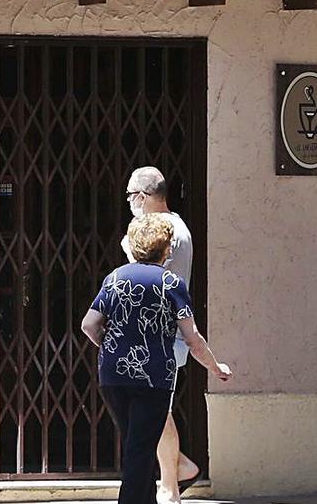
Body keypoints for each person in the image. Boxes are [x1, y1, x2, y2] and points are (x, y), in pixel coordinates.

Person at [82, 214, 231, 504]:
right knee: (140, 448)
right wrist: (215, 367)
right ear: (167, 250)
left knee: (138, 443)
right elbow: (192, 337)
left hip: (113, 374)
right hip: (153, 375)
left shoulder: (114, 278)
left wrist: (111, 347)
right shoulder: (171, 283)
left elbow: (89, 325)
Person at [120, 167, 199, 502]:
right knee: (154, 409)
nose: (128, 203)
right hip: (158, 338)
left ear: (143, 196)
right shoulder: (169, 227)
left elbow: (155, 280)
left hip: (163, 338)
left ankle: (171, 484)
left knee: (156, 410)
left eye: (129, 196)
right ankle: (179, 467)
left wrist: (129, 251)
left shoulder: (170, 232)